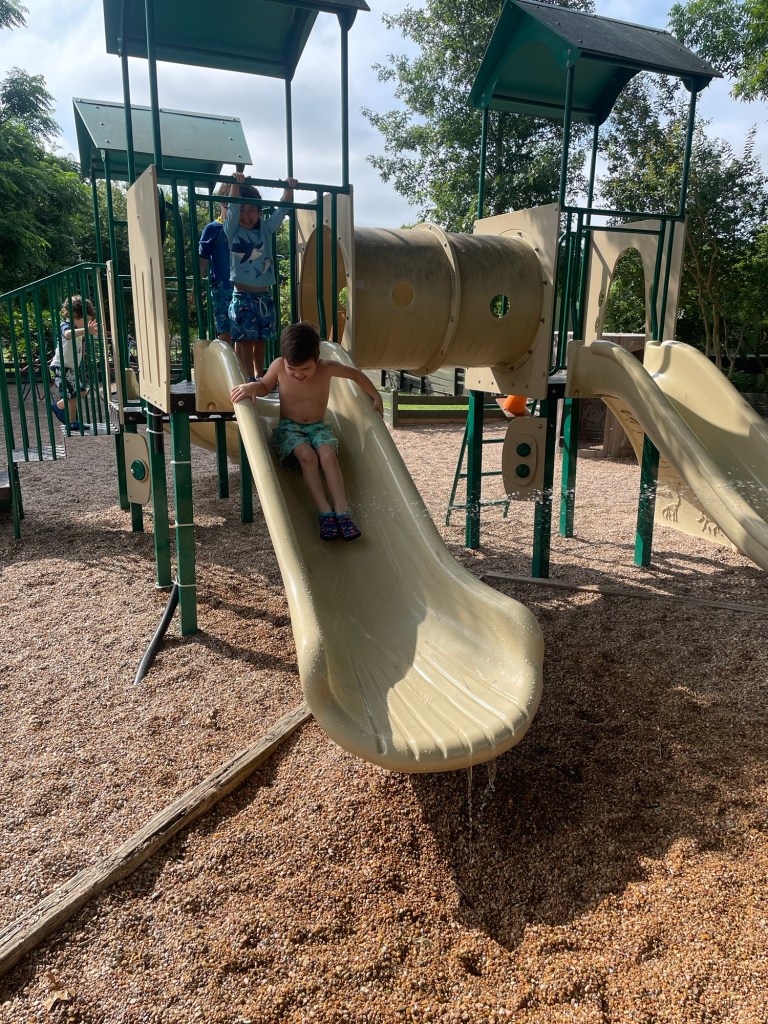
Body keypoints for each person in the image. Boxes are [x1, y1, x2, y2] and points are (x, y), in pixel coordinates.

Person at [230, 321, 384, 541]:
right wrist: (253, 386)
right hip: (289, 429)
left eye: (305, 369)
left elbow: (356, 375)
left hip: (318, 427)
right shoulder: (278, 366)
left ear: (316, 359)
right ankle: (325, 512)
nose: (298, 374)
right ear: (284, 359)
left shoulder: (327, 368)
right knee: (308, 456)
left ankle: (342, 511)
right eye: (292, 369)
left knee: (328, 455)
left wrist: (376, 395)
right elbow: (264, 386)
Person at [224, 170, 298, 381]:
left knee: (261, 338)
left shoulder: (265, 228)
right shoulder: (233, 230)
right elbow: (233, 208)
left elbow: (282, 210)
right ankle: (248, 378)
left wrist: (288, 188)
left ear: (259, 212)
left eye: (252, 210)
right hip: (243, 296)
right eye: (242, 210)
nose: (246, 216)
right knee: (246, 340)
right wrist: (235, 186)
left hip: (264, 296)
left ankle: (259, 374)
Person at [50, 295, 96, 430]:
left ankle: (58, 407)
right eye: (86, 320)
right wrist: (86, 330)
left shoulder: (78, 329)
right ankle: (72, 422)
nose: (87, 323)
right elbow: (68, 334)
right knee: (73, 395)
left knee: (82, 392)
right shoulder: (66, 326)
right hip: (60, 367)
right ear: (75, 315)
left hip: (69, 368)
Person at [198, 182, 234, 341]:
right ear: (221, 202)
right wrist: (196, 286)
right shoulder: (212, 228)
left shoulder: (244, 227)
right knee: (225, 331)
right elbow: (203, 260)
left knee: (243, 333)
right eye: (228, 203)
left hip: (243, 285)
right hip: (222, 286)